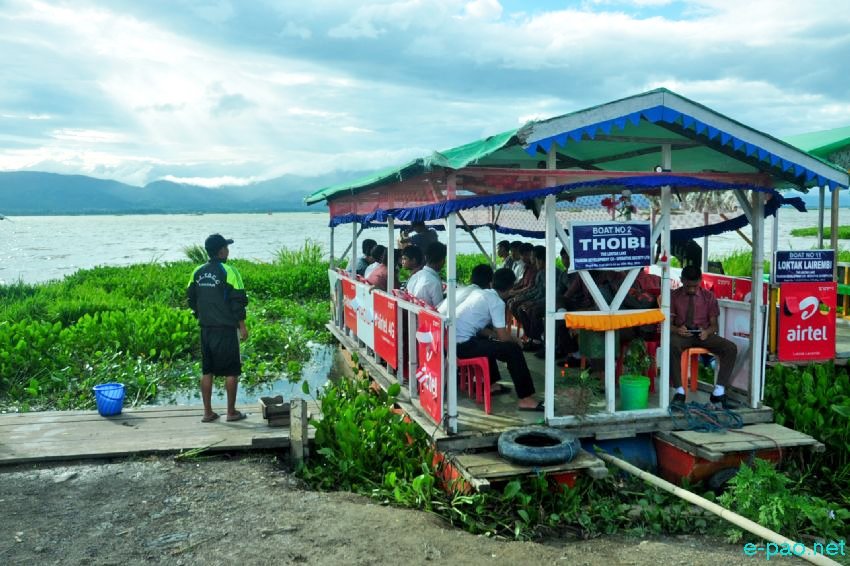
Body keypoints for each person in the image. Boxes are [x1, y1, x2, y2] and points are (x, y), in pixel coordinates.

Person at [455, 265, 541, 411]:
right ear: (511, 287)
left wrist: (494, 336)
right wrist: (517, 340)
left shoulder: (481, 294)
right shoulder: (497, 302)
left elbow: (479, 327)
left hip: (454, 342)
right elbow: (503, 336)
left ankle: (492, 385)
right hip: (463, 346)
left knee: (491, 343)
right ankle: (525, 399)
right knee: (513, 351)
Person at [187, 233, 249, 423]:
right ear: (221, 251)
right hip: (226, 329)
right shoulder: (230, 271)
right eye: (226, 247)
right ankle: (231, 413)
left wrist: (201, 315)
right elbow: (238, 301)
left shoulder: (197, 272)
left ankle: (208, 413)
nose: (228, 250)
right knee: (232, 371)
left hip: (206, 329)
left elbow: (191, 299)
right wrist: (242, 326)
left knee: (207, 371)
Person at [668, 265, 737, 408]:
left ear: (701, 280)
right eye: (688, 286)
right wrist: (677, 329)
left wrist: (706, 332)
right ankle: (679, 391)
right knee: (672, 344)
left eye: (695, 285)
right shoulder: (673, 296)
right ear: (681, 280)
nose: (692, 289)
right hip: (682, 335)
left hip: (702, 335)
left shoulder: (709, 297)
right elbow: (667, 325)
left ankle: (718, 392)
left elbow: (714, 326)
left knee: (730, 348)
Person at [406, 241, 445, 308]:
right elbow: (439, 308)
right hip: (425, 317)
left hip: (412, 314)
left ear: (426, 257)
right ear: (442, 260)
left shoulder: (415, 276)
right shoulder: (434, 283)